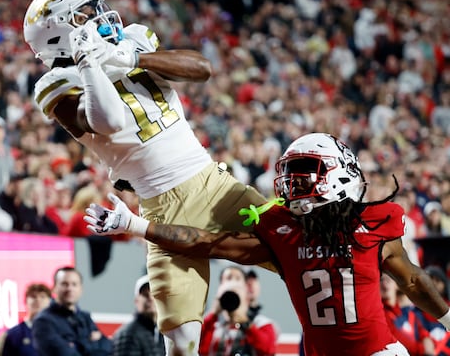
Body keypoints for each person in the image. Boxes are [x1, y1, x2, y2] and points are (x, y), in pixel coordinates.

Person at [23, 0, 266, 355]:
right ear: (59, 34)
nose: (98, 17)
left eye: (95, 7)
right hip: (161, 204)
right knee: (181, 344)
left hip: (217, 185)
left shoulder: (132, 40)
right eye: (83, 15)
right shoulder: (55, 83)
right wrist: (90, 65)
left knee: (299, 252)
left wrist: (132, 60)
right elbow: (109, 121)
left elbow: (201, 69)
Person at [85, 133, 450, 356]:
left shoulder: (375, 221)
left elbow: (413, 281)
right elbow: (207, 243)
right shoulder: (284, 231)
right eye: (290, 172)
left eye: (306, 168)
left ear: (342, 171)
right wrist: (135, 224)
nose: (294, 180)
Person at [31, 266, 112, 356]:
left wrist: (76, 345)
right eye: (64, 284)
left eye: (74, 284)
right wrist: (90, 343)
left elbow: (107, 347)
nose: (70, 289)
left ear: (81, 289)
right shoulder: (43, 322)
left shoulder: (85, 317)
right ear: (54, 288)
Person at [199, 266, 277, 356]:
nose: (233, 283)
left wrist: (245, 322)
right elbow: (196, 347)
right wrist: (213, 314)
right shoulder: (211, 323)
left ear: (246, 288)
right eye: (229, 278)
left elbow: (268, 350)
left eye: (237, 279)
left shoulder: (262, 324)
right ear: (220, 286)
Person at [380, 272, 435, 355]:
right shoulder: (380, 314)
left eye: (388, 280)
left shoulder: (409, 312)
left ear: (397, 285)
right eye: (381, 280)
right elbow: (395, 337)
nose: (384, 283)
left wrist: (427, 340)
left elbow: (423, 332)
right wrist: (422, 350)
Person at [112, 274, 166, 356]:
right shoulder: (127, 334)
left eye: (154, 293)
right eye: (145, 294)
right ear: (136, 301)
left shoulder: (161, 332)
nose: (150, 298)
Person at [0, 282, 52, 356]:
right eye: (33, 296)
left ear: (50, 302)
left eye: (42, 296)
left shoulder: (60, 332)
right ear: (25, 301)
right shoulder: (12, 335)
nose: (38, 300)